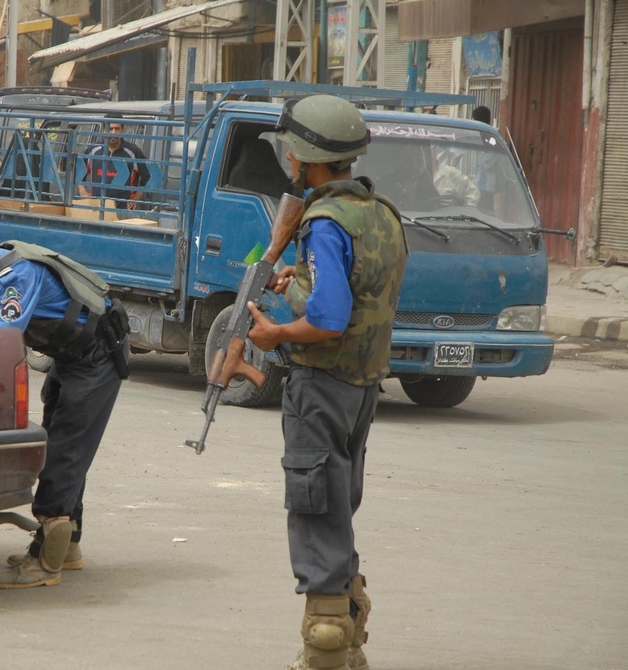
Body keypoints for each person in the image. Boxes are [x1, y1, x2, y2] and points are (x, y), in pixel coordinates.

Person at [244, 95, 408, 670]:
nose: (287, 159)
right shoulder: (379, 212)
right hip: (361, 387)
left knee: (315, 515)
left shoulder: (324, 223)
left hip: (321, 387)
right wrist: (299, 282)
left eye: (291, 151)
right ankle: (349, 644)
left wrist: (274, 333)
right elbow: (360, 298)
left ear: (305, 159)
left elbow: (329, 320)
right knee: (337, 509)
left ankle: (327, 650)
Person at [0, 216, 130, 589]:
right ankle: (67, 549)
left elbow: (2, 342)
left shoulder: (16, 277)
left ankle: (45, 564)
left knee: (64, 453)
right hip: (70, 356)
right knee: (59, 448)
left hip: (96, 358)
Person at [78, 114, 150, 213]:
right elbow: (79, 173)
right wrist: (83, 193)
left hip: (123, 210)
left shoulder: (133, 152)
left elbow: (147, 177)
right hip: (97, 209)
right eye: (110, 129)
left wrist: (135, 199)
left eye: (117, 129)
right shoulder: (93, 151)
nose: (113, 132)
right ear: (104, 130)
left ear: (122, 129)